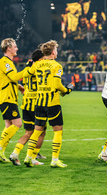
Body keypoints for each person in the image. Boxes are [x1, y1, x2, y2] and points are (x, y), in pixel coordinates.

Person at [23, 40, 73, 168]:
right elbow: (57, 84)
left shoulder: (37, 65)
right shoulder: (56, 66)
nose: (57, 52)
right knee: (58, 130)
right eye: (56, 49)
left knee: (37, 130)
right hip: (52, 103)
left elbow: (26, 74)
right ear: (52, 52)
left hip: (39, 102)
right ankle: (55, 159)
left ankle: (29, 156)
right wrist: (66, 90)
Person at [9, 49, 46, 166]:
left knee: (28, 132)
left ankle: (15, 153)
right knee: (41, 132)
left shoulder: (27, 69)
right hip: (36, 104)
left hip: (26, 103)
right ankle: (33, 157)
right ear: (40, 59)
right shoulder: (39, 69)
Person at [0, 38, 28, 163]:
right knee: (17, 124)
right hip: (8, 98)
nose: (17, 48)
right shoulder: (4, 62)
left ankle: (1, 153)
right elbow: (13, 76)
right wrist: (28, 69)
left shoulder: (8, 62)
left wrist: (19, 87)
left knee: (8, 125)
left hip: (8, 97)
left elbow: (10, 79)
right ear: (8, 48)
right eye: (15, 46)